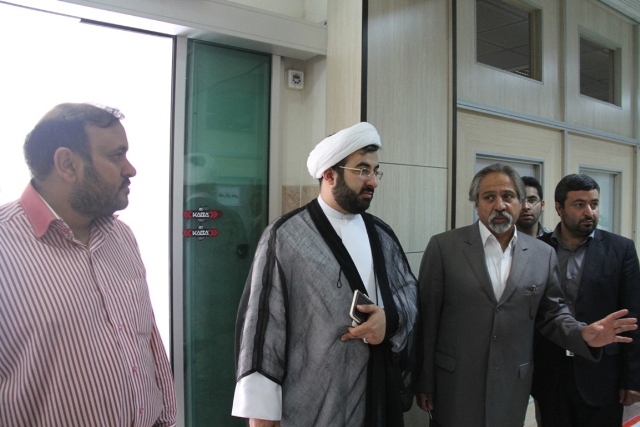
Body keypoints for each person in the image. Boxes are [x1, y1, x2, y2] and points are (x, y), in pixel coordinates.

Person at [414, 163, 637, 427]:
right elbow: (427, 320)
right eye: (489, 197)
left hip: (512, 384)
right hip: (455, 382)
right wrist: (423, 379)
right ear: (477, 204)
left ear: (521, 203)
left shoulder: (542, 253)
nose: (499, 205)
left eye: (508, 196)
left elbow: (552, 314)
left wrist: (582, 334)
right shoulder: (444, 247)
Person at [0, 103, 177, 426]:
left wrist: (165, 418)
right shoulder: (5, 247)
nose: (130, 169)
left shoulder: (121, 237)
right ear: (67, 164)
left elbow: (146, 340)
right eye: (116, 156)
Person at [232, 122, 418, 426]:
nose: (373, 181)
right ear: (330, 174)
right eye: (362, 170)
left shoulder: (381, 234)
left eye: (375, 171)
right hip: (315, 400)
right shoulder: (285, 237)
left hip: (376, 396)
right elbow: (264, 325)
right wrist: (261, 413)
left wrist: (389, 320)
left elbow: (408, 291)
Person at [531, 173, 640, 426]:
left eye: (594, 204)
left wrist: (633, 379)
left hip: (602, 374)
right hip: (551, 372)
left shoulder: (620, 249)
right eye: (579, 204)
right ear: (559, 208)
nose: (589, 212)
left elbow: (633, 316)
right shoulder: (537, 249)